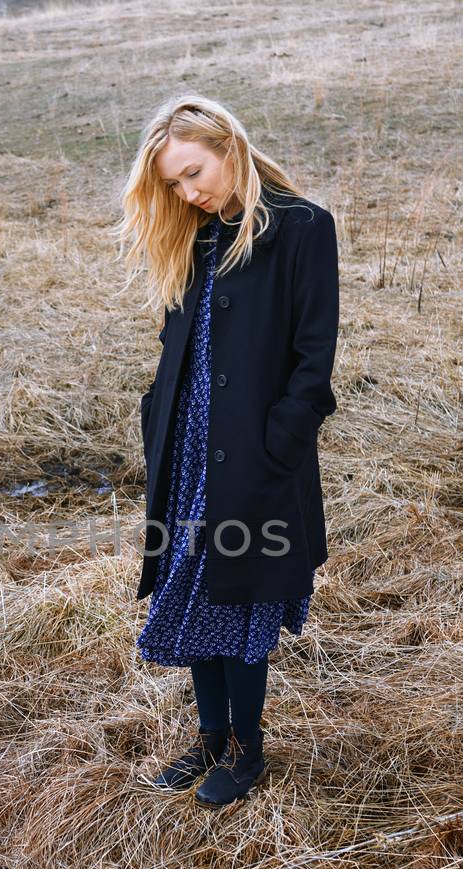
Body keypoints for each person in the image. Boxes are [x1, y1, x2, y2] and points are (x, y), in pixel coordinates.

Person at [115, 94, 340, 808]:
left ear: (228, 146)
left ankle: (246, 750)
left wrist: (281, 442)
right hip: (187, 451)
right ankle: (210, 736)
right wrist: (158, 414)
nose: (188, 192)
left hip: (254, 459)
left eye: (193, 172)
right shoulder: (196, 235)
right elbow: (175, 343)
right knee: (191, 585)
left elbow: (314, 358)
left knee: (239, 598)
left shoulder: (303, 228)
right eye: (175, 184)